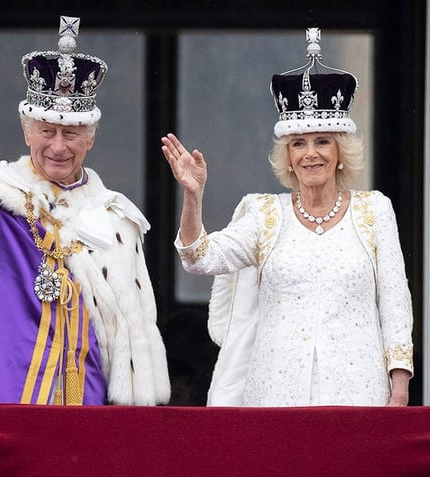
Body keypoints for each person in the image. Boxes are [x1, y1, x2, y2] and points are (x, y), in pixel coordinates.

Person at [0, 16, 170, 406]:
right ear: (27, 132)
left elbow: (127, 336)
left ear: (90, 139)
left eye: (71, 133)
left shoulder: (115, 220)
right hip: (2, 383)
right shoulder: (0, 199)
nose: (58, 146)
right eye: (46, 131)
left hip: (84, 389)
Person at [161, 28, 413, 407]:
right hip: (277, 394)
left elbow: (395, 302)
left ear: (340, 150)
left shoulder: (374, 211)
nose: (311, 153)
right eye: (299, 143)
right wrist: (193, 197)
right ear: (289, 157)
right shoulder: (265, 214)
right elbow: (200, 257)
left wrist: (399, 384)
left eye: (322, 140)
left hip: (359, 391)